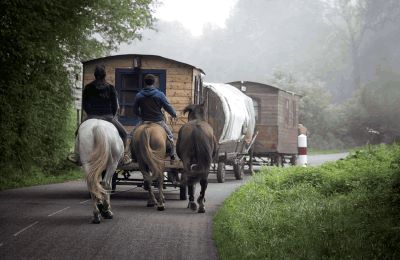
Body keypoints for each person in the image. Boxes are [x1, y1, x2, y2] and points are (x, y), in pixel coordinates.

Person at [68, 65, 131, 165]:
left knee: (77, 133)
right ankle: (124, 156)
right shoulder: (110, 88)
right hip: (108, 117)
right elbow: (115, 106)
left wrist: (90, 114)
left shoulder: (88, 87)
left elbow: (85, 104)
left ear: (95, 75)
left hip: (91, 116)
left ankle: (76, 155)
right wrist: (112, 115)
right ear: (104, 75)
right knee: (124, 134)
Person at [132, 74, 177, 160]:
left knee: (131, 136)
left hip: (144, 121)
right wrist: (174, 114)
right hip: (158, 121)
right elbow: (167, 106)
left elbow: (134, 110)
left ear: (145, 82)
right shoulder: (160, 95)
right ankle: (172, 155)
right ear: (154, 82)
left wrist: (141, 115)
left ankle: (131, 155)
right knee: (170, 136)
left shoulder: (139, 95)